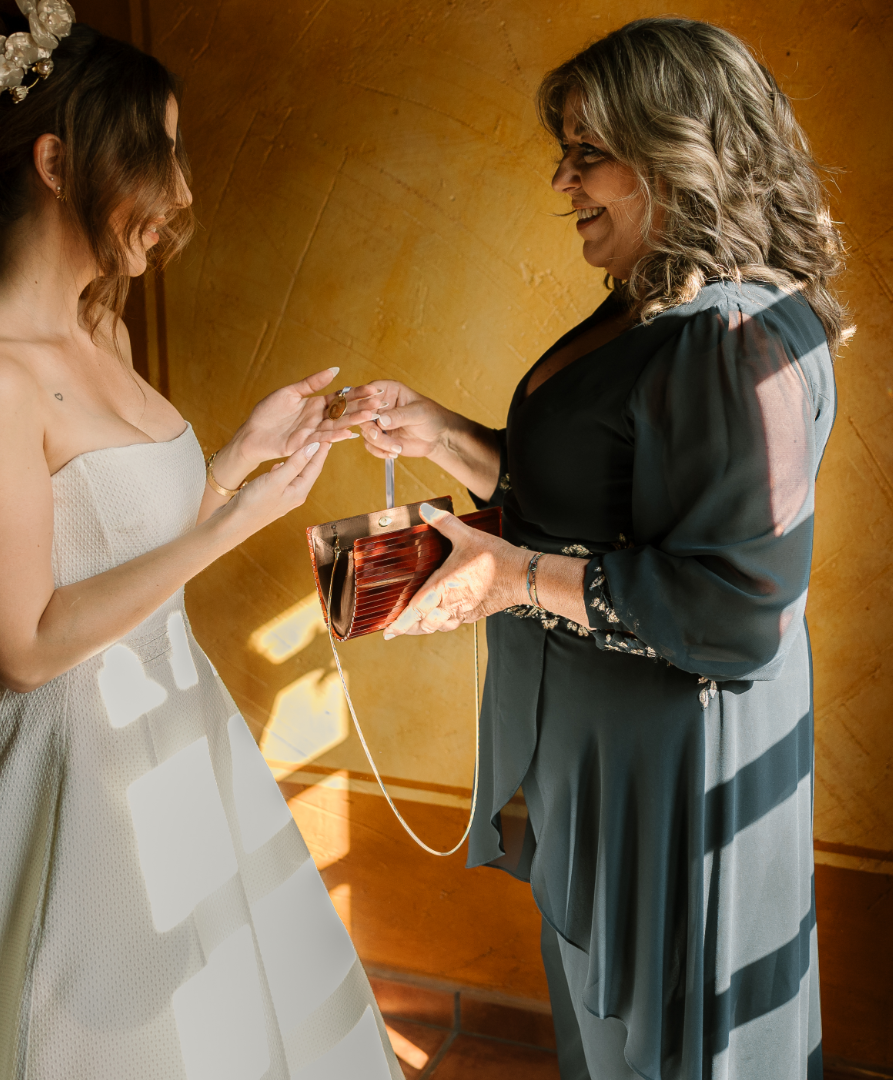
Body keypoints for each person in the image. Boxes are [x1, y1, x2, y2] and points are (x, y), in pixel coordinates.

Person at [0, 4, 399, 1078]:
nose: (183, 192)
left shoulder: (99, 323)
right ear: (58, 161)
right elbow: (27, 641)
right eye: (159, 153)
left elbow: (117, 537)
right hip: (68, 765)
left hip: (176, 733)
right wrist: (233, 526)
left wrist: (235, 461)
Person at [327, 18, 844, 1080]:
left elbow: (736, 614)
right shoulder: (658, 307)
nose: (562, 178)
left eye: (587, 151)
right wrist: (443, 434)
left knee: (661, 1042)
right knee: (609, 1037)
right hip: (611, 747)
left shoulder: (729, 339)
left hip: (671, 766)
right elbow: (597, 497)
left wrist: (508, 575)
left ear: (676, 149)